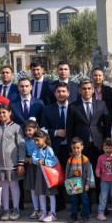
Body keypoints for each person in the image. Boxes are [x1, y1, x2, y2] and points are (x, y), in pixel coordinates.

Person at [0, 103, 25, 222]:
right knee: (3, 186)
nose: (2, 115)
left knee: (14, 185)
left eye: (4, 112)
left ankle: (16, 209)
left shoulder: (17, 128)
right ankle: (6, 209)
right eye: (0, 113)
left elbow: (21, 146)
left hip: (13, 163)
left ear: (10, 113)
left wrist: (21, 163)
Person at [67, 79, 111, 174]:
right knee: (81, 174)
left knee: (100, 174)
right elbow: (70, 128)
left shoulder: (101, 104)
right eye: (84, 89)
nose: (86, 91)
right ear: (79, 90)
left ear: (93, 90)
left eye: (89, 88)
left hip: (98, 145)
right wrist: (71, 148)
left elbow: (107, 125)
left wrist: (107, 143)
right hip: (81, 146)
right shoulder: (73, 106)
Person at [40, 81, 72, 212]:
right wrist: (55, 132)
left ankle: (75, 203)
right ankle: (59, 204)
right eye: (58, 91)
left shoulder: (74, 108)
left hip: (72, 149)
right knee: (57, 176)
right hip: (56, 149)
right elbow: (42, 129)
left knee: (73, 175)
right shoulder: (48, 109)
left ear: (68, 93)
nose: (61, 94)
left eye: (63, 91)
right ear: (55, 93)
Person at [31, 129, 58, 222]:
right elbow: (33, 158)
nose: (36, 142)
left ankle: (53, 213)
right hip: (40, 174)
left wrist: (44, 161)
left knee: (50, 193)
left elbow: (54, 161)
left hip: (48, 175)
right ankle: (44, 211)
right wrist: (37, 161)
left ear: (44, 138)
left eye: (38, 140)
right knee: (41, 193)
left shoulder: (49, 149)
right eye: (35, 140)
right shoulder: (36, 149)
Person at [67, 137, 94, 223]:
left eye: (78, 148)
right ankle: (74, 215)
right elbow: (67, 173)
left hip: (82, 184)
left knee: (85, 200)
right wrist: (67, 184)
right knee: (74, 200)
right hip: (72, 185)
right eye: (74, 148)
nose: (76, 150)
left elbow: (89, 172)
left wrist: (87, 184)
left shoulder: (85, 159)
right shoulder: (70, 160)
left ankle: (86, 215)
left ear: (82, 147)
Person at [95, 138, 112, 221]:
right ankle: (100, 212)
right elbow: (98, 167)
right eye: (106, 148)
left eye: (110, 148)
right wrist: (97, 172)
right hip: (104, 181)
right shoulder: (100, 157)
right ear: (103, 148)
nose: (108, 150)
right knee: (103, 197)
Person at [22, 120, 41, 219]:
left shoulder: (40, 139)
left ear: (36, 129)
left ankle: (43, 209)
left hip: (38, 165)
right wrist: (25, 159)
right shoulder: (24, 140)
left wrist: (32, 159)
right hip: (29, 165)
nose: (28, 132)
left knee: (40, 186)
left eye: (30, 130)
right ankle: (35, 208)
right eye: (26, 130)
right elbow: (22, 151)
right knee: (33, 188)